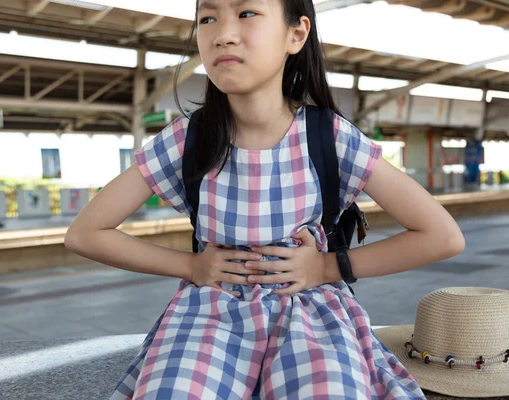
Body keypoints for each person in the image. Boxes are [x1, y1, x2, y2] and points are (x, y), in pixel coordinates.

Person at [65, 0, 465, 398]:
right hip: (210, 314)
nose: (222, 34)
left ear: (296, 34)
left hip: (311, 316)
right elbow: (85, 233)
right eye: (207, 18)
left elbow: (441, 235)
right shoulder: (188, 140)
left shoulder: (328, 137)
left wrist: (329, 267)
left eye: (246, 13)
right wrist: (190, 264)